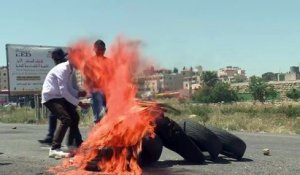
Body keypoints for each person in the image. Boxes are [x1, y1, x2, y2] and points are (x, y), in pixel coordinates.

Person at [41, 48, 88, 158]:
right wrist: (79, 103)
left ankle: (75, 145)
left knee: (74, 116)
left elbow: (68, 89)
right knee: (65, 119)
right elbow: (64, 92)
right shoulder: (63, 69)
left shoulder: (69, 69)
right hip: (51, 97)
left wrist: (78, 93)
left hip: (59, 96)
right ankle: (54, 149)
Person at [38, 48, 68, 145]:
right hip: (56, 96)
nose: (54, 61)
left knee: (68, 118)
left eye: (54, 58)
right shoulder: (60, 66)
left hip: (62, 96)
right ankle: (52, 139)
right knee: (57, 116)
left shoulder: (64, 66)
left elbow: (66, 86)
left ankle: (75, 140)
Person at [84, 40, 107, 124]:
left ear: (105, 49)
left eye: (102, 49)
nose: (101, 51)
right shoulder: (89, 62)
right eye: (98, 49)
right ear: (94, 49)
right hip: (95, 93)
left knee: (111, 114)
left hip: (107, 93)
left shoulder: (109, 62)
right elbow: (87, 79)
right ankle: (97, 135)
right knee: (98, 118)